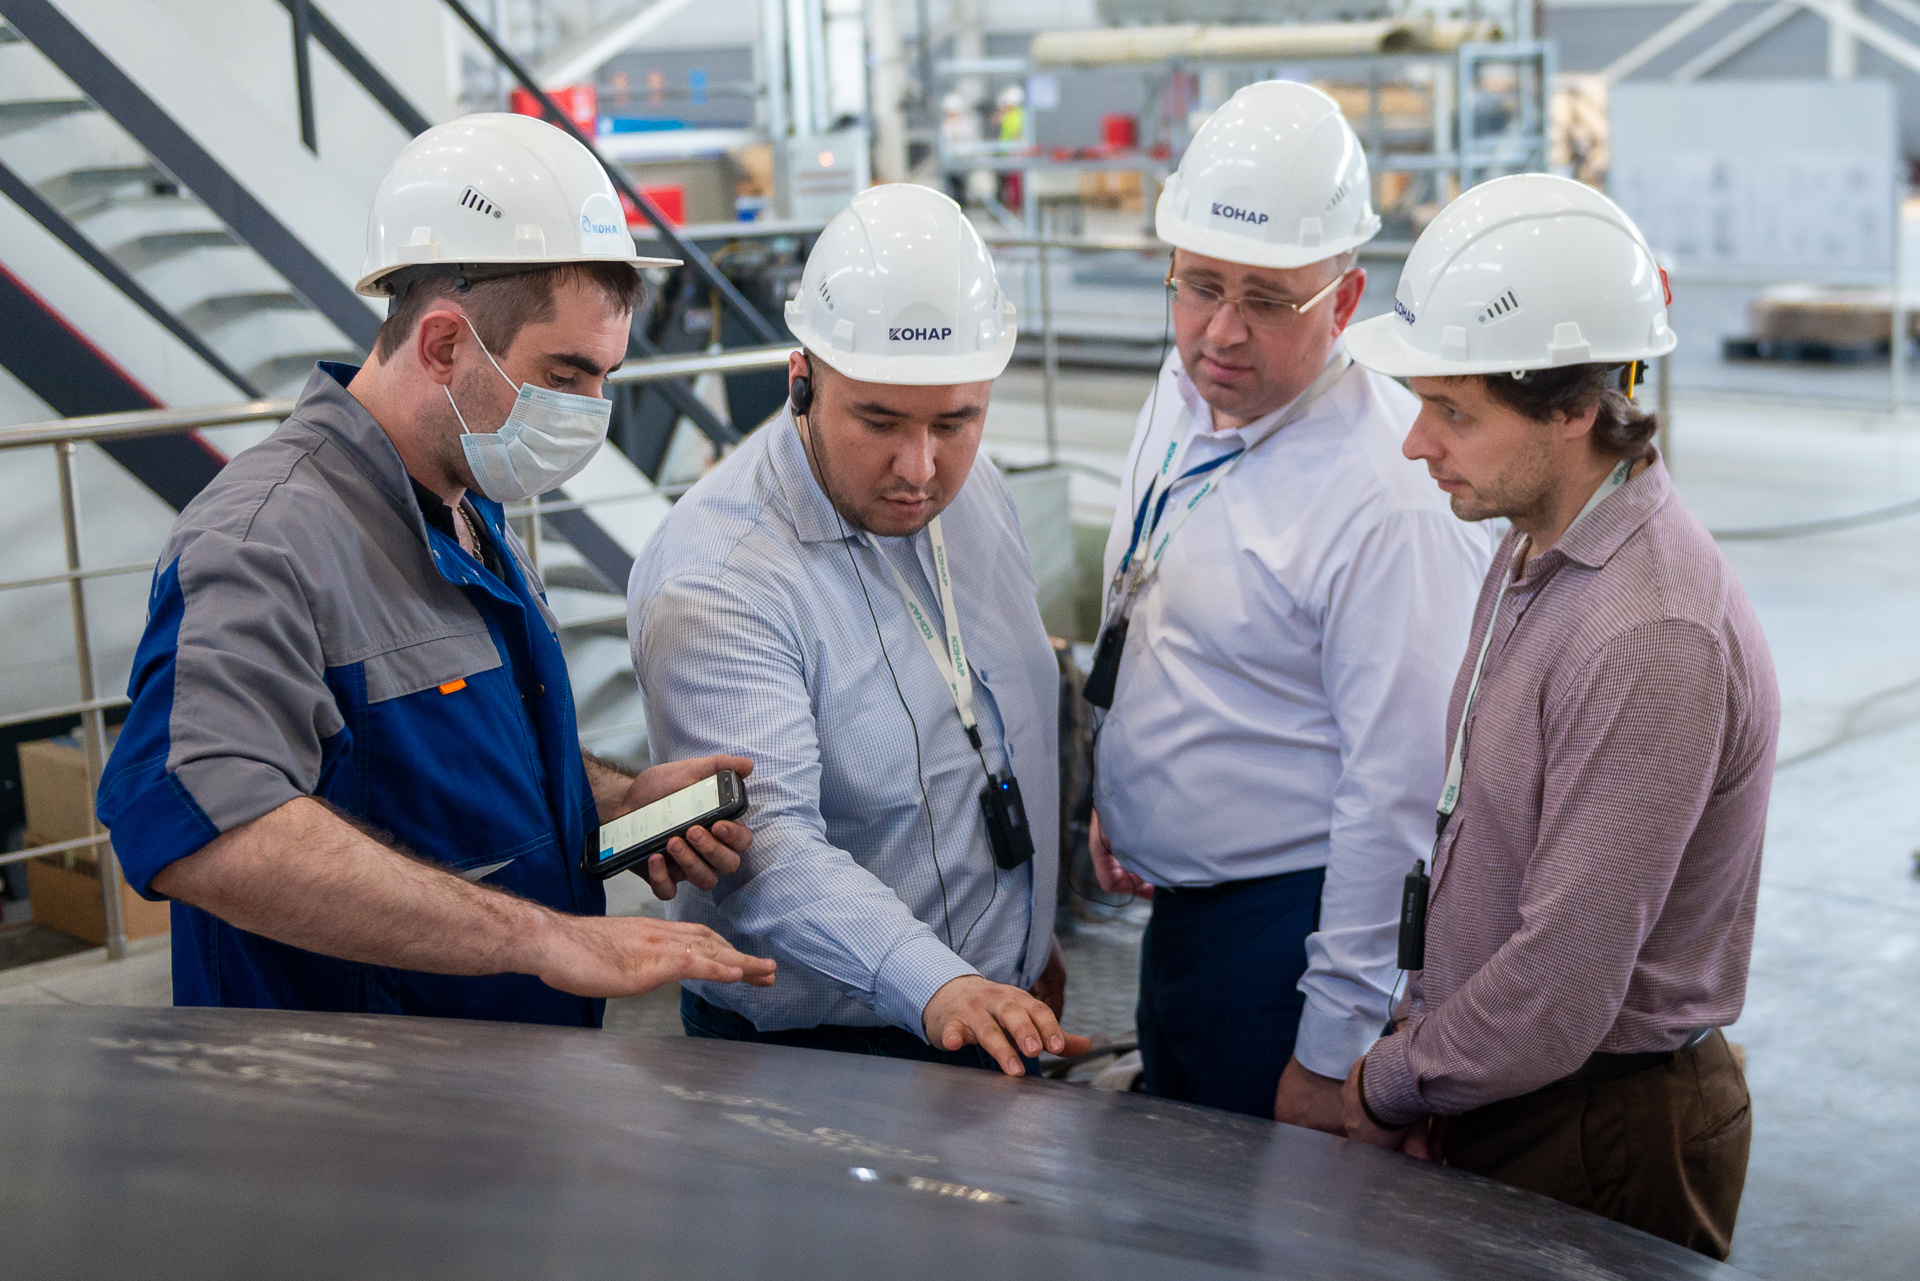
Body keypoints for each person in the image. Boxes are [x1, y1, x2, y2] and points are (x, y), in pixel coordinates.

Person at [95, 114, 775, 1023]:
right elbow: (201, 819)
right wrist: (543, 938)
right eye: (566, 376)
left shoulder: (466, 498)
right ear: (445, 344)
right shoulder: (266, 541)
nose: (590, 411)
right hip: (351, 1124)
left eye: (604, 378)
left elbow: (424, 763)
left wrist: (611, 800)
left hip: (495, 1101)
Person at [1339, 173, 1779, 1261]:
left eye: (1453, 412)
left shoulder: (1650, 633)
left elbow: (1559, 992)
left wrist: (1389, 1082)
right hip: (1513, 1087)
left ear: (1573, 407)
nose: (1415, 444)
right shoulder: (1540, 542)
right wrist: (1439, 1061)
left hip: (1603, 1124)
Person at [1084, 80, 1494, 1125]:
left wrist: (1331, 1049)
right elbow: (1151, 599)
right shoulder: (1186, 394)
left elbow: (1397, 796)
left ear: (1345, 302)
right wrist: (1121, 790)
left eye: (1267, 299)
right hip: (1175, 912)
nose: (1220, 331)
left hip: (1288, 933)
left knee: (1264, 1224)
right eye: (1197, 285)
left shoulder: (1387, 497)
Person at [628, 184, 1090, 1077]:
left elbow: (1002, 736)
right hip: (820, 1050)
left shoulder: (977, 491)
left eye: (956, 421)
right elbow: (768, 849)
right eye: (878, 421)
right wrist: (943, 982)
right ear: (800, 379)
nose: (920, 469)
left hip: (991, 1004)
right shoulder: (719, 578)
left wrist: (1024, 945)